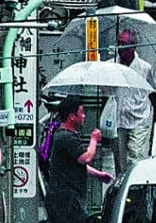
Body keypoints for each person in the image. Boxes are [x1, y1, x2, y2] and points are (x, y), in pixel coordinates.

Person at [44, 95, 113, 223]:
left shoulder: (65, 135)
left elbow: (76, 164)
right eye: (81, 112)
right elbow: (85, 158)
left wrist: (98, 174)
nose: (84, 116)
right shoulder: (66, 137)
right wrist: (93, 139)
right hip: (66, 200)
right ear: (71, 116)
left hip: (64, 198)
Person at [112, 28, 156, 175]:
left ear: (133, 47)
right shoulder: (113, 66)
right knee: (119, 161)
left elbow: (152, 90)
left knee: (135, 156)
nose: (120, 48)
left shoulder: (144, 68)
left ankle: (135, 187)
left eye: (124, 44)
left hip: (139, 118)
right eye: (118, 43)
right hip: (119, 119)